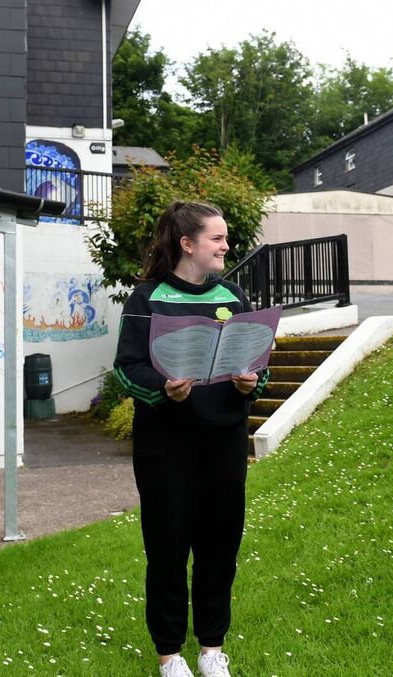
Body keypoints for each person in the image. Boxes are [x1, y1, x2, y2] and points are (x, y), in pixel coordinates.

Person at [113, 201, 270, 677]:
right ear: (187, 244)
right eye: (217, 238)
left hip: (224, 441)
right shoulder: (147, 299)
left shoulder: (234, 296)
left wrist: (251, 381)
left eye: (225, 238)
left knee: (220, 547)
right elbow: (126, 368)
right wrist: (163, 389)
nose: (226, 246)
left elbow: (258, 364)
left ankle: (211, 651)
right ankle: (169, 655)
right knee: (167, 548)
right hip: (166, 447)